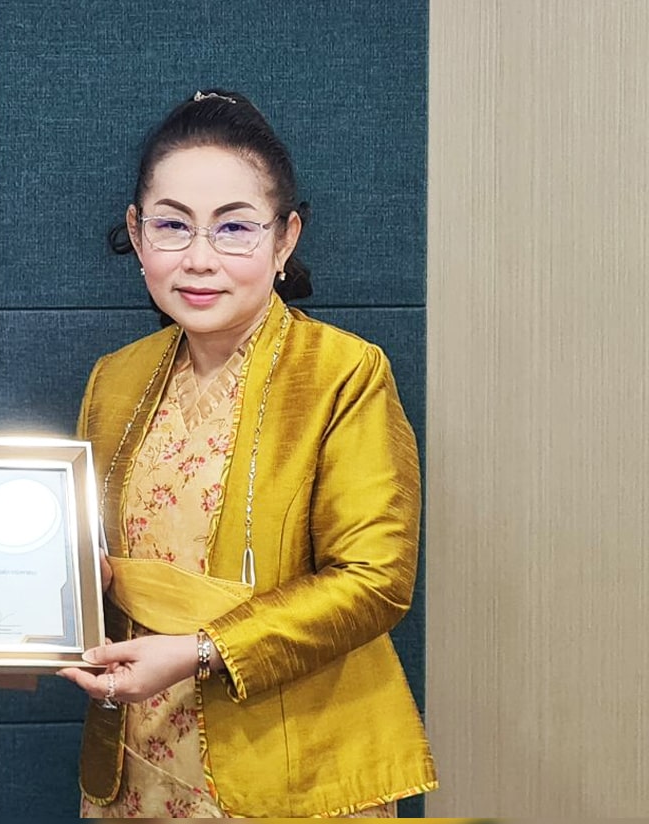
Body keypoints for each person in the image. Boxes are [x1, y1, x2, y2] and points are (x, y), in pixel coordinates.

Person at [57, 90, 436, 818]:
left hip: (292, 754)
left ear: (285, 239)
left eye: (234, 228)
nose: (199, 260)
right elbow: (91, 560)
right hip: (138, 750)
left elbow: (376, 581)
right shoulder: (115, 379)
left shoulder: (344, 373)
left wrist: (201, 650)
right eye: (172, 226)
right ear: (137, 233)